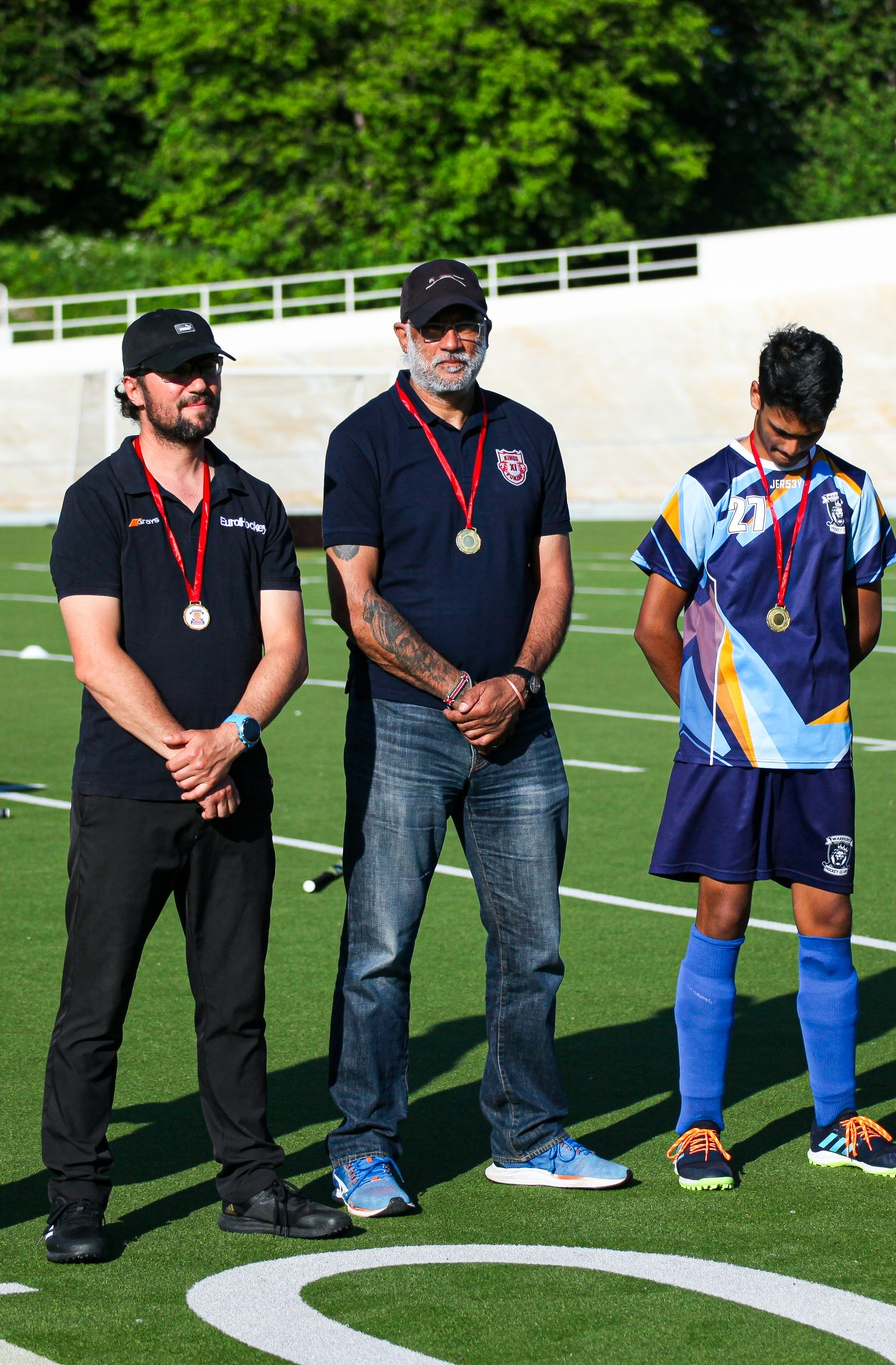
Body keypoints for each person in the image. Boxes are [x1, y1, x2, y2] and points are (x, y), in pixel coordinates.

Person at [320, 260, 629, 1216]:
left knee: (533, 946)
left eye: (467, 324)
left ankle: (528, 1133)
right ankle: (364, 1145)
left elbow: (556, 579)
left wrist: (517, 683)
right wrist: (460, 687)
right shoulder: (363, 438)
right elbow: (355, 601)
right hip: (404, 722)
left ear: (485, 333)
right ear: (402, 336)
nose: (453, 340)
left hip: (519, 725)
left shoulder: (528, 434)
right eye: (435, 326)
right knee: (380, 946)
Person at [40, 309, 349, 1255]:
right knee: (95, 1005)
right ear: (133, 388)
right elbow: (95, 656)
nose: (198, 384)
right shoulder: (97, 499)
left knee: (235, 1001)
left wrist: (234, 739)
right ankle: (77, 1198)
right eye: (177, 371)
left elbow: (287, 647)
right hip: (129, 791)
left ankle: (250, 1182)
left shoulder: (253, 499)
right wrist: (191, 753)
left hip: (235, 788)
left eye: (207, 367)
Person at [632, 326, 896, 1191]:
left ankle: (836, 1120)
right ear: (755, 395)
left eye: (808, 434)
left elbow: (864, 622)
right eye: (780, 431)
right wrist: (709, 714)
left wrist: (806, 692)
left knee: (828, 919)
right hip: (726, 753)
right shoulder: (706, 487)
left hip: (818, 748)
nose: (792, 448)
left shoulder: (852, 491)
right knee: (721, 913)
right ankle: (697, 1125)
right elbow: (654, 624)